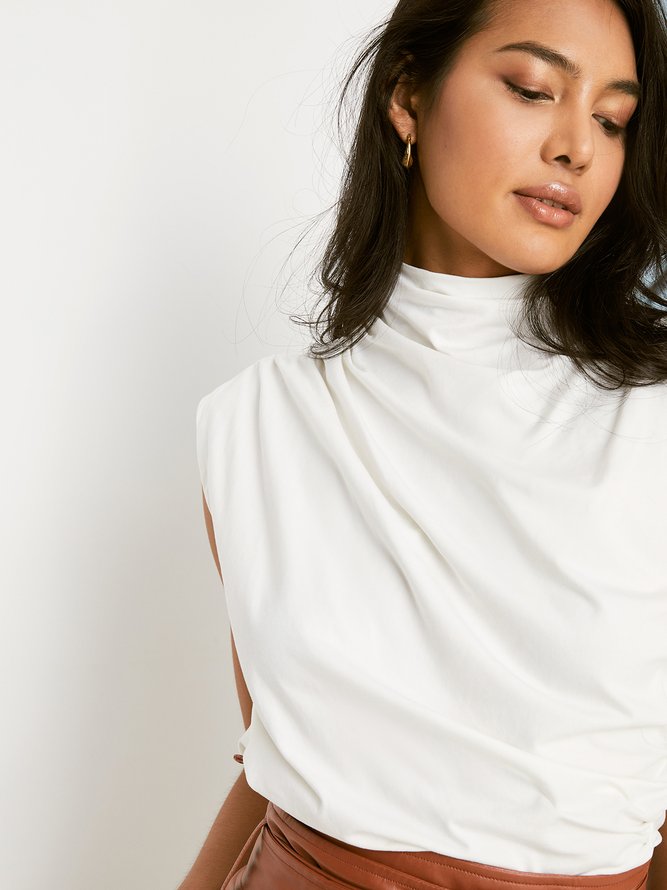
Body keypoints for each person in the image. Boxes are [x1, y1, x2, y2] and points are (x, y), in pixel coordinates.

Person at [182, 0, 667, 887]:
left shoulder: (649, 418)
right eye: (532, 89)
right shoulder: (255, 422)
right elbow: (276, 756)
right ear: (408, 96)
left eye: (611, 119)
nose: (577, 147)